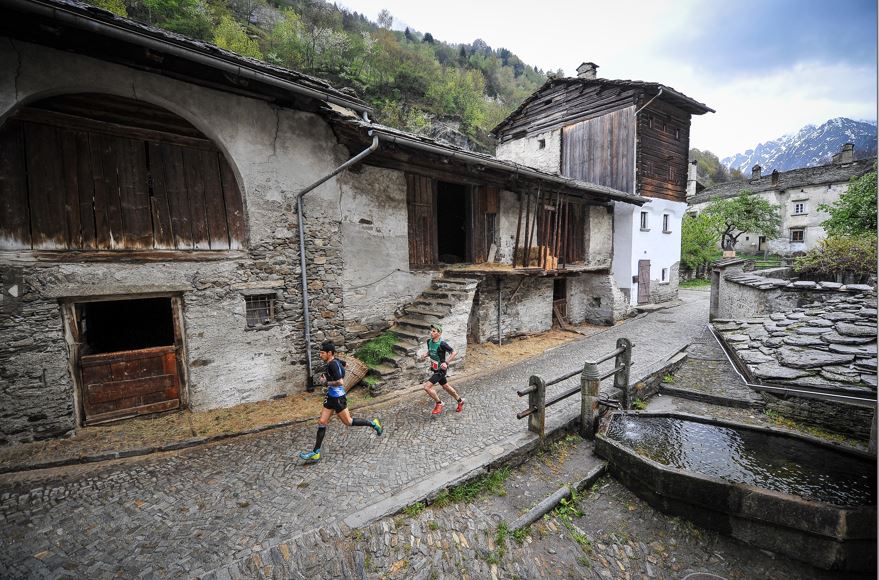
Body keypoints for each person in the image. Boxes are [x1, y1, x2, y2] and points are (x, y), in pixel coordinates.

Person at [299, 341, 382, 461]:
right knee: (322, 422)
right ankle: (316, 452)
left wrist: (326, 382)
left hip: (338, 398)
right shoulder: (334, 361)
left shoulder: (332, 364)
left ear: (329, 353)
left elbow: (340, 382)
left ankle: (374, 424)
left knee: (348, 422)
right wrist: (339, 368)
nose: (320, 355)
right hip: (331, 397)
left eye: (322, 353)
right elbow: (346, 364)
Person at [418, 323, 465, 415]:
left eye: (434, 331)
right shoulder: (429, 341)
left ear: (439, 333)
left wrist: (446, 363)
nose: (431, 333)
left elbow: (454, 352)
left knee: (427, 387)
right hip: (435, 368)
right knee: (446, 386)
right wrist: (426, 355)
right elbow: (430, 351)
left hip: (441, 370)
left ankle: (439, 403)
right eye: (431, 331)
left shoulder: (442, 344)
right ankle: (460, 401)